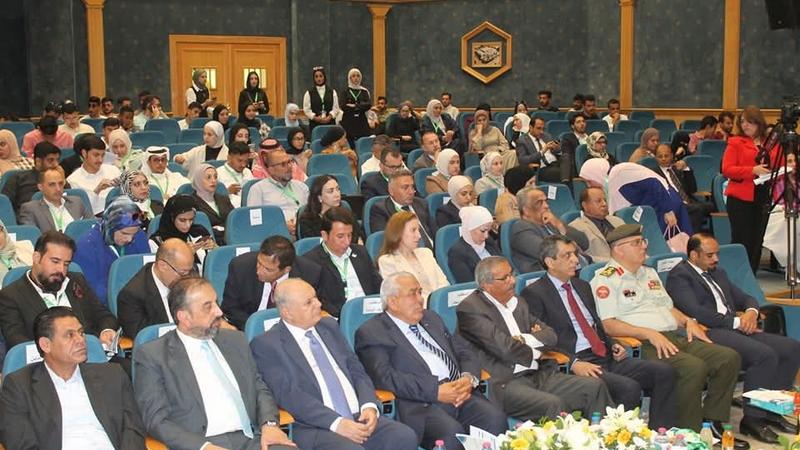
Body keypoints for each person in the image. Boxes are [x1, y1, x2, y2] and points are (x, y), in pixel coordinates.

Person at [590, 224, 744, 440]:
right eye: (637, 243)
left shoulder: (649, 273)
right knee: (693, 368)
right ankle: (686, 433)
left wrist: (688, 320)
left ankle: (712, 421)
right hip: (642, 343)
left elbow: (668, 308)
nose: (644, 246)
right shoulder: (605, 279)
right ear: (618, 249)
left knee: (727, 358)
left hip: (672, 336)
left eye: (643, 241)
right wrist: (648, 333)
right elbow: (608, 324)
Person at [523, 235, 677, 429]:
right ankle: (616, 437)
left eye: (575, 254)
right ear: (550, 262)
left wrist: (613, 344)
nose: (575, 260)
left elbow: (595, 324)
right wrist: (573, 363)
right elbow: (543, 340)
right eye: (567, 255)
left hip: (603, 354)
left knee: (664, 372)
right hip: (576, 359)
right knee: (628, 388)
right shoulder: (535, 293)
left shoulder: (582, 286)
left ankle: (660, 433)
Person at [250, 278, 417, 450]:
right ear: (287, 312)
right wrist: (337, 423)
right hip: (316, 426)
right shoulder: (267, 344)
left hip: (358, 416)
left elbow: (356, 370)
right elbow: (290, 396)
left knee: (404, 437)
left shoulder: (329, 326)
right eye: (309, 302)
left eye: (315, 298)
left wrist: (369, 405)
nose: (318, 304)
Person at [133, 276, 297, 450]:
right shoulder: (154, 355)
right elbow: (156, 420)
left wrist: (269, 424)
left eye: (216, 302)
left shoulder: (235, 340)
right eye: (208, 306)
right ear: (184, 317)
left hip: (252, 437)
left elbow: (259, 388)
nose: (219, 312)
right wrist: (203, 446)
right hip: (201, 442)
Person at [666, 233, 800, 442]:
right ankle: (754, 419)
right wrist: (739, 322)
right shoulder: (680, 276)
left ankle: (772, 412)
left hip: (733, 327)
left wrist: (751, 313)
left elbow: (746, 298)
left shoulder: (718, 273)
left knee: (791, 348)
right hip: (708, 331)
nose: (716, 259)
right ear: (693, 255)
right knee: (764, 355)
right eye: (710, 255)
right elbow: (697, 312)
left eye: (717, 254)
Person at [355, 272, 507, 450]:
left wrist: (468, 378)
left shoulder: (431, 318)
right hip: (421, 404)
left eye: (420, 292)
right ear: (393, 302)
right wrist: (434, 391)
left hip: (459, 392)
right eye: (412, 294)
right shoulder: (372, 332)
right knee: (451, 434)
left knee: (495, 419)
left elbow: (464, 351)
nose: (420, 299)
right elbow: (385, 377)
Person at [456, 256, 613, 420]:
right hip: (506, 381)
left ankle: (604, 434)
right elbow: (505, 349)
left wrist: (524, 339)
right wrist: (537, 349)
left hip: (539, 373)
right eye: (505, 278)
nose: (513, 281)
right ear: (486, 285)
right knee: (553, 404)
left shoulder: (518, 302)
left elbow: (551, 336)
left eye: (512, 274)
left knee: (594, 387)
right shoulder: (470, 308)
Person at [0, 307, 145, 450]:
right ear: (46, 345)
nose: (80, 340)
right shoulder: (19, 386)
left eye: (81, 333)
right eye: (70, 335)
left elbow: (133, 429)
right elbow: (21, 444)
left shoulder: (112, 375)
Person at [0, 231, 119, 349]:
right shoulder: (11, 296)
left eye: (66, 264)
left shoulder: (76, 280)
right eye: (55, 261)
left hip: (90, 354)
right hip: (46, 360)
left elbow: (104, 315)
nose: (61, 270)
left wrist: (106, 331)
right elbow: (18, 345)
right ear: (36, 258)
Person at [222, 235, 337, 329]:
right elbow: (230, 309)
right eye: (259, 263)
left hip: (293, 329)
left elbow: (313, 309)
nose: (259, 271)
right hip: (250, 327)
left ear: (286, 269)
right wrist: (256, 327)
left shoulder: (310, 273)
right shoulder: (240, 267)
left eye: (268, 269)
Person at [722, 106, 780, 273]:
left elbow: (779, 162)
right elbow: (727, 169)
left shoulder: (769, 144)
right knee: (742, 239)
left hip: (763, 196)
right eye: (742, 122)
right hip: (740, 198)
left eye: (749, 122)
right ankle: (737, 274)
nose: (745, 125)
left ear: (758, 123)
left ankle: (751, 275)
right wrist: (752, 170)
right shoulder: (736, 142)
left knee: (757, 240)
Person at [304, 207, 382, 317]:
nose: (347, 241)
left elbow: (378, 285)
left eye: (349, 235)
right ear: (325, 235)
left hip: (372, 312)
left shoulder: (360, 252)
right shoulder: (310, 262)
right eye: (340, 236)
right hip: (339, 317)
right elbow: (317, 301)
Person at [581, 159, 693, 234]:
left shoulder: (617, 174)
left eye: (589, 181)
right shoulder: (613, 175)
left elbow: (654, 183)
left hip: (665, 202)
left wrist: (668, 210)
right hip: (658, 204)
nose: (589, 186)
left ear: (596, 174)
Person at [73, 197, 150, 305]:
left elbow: (148, 275)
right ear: (110, 226)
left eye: (134, 233)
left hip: (139, 301)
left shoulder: (139, 236)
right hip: (106, 305)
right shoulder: (86, 247)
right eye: (124, 233)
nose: (130, 239)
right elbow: (93, 293)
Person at [117, 238, 195, 338]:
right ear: (162, 266)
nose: (187, 278)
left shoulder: (186, 273)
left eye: (189, 271)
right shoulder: (131, 296)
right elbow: (143, 338)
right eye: (182, 273)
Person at [510, 187, 590, 273]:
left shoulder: (551, 223)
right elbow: (549, 253)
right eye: (539, 203)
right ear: (526, 210)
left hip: (578, 268)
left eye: (546, 201)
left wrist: (559, 225)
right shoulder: (521, 229)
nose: (546, 206)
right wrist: (574, 246)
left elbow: (584, 242)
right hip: (549, 275)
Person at [377, 211, 448, 300]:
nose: (419, 236)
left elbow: (443, 283)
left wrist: (439, 301)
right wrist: (433, 302)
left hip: (439, 303)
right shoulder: (387, 261)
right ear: (399, 233)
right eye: (413, 230)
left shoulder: (426, 253)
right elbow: (403, 296)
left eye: (418, 230)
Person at [247, 148, 310, 237]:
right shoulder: (258, 189)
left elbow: (312, 213)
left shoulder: (302, 187)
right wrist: (281, 227)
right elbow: (255, 222)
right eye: (283, 164)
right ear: (271, 169)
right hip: (275, 236)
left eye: (289, 162)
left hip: (304, 232)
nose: (289, 167)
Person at [653, 143, 714, 233]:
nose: (663, 159)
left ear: (672, 156)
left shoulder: (677, 169)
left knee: (713, 206)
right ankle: (693, 237)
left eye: (666, 156)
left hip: (690, 202)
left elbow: (692, 189)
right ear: (656, 158)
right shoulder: (653, 174)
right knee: (697, 209)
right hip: (674, 205)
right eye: (660, 156)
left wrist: (686, 169)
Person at [369, 170, 434, 247]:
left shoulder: (421, 204)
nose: (411, 192)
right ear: (391, 191)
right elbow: (386, 242)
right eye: (405, 188)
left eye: (412, 187)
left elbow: (435, 232)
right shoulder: (380, 210)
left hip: (433, 251)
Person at [19, 167, 91, 232]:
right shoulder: (31, 209)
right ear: (40, 187)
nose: (58, 189)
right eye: (52, 185)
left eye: (60, 183)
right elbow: (32, 237)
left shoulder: (77, 202)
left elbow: (92, 226)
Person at [149, 194, 214, 266]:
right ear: (172, 218)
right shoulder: (157, 242)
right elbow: (162, 270)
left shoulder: (200, 232)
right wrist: (186, 254)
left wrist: (215, 249)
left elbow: (215, 265)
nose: (188, 225)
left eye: (191, 219)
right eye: (182, 220)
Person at [66, 135, 122, 215]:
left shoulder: (113, 170)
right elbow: (81, 211)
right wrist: (97, 190)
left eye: (102, 155)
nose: (100, 160)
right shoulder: (73, 180)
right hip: (96, 218)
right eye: (96, 155)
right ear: (84, 153)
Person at [568, 187, 625, 263]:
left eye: (605, 200)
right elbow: (583, 257)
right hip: (602, 266)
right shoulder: (577, 227)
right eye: (598, 201)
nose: (604, 204)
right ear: (585, 205)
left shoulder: (617, 221)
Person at [3, 141, 62, 213]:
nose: (56, 164)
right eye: (50, 160)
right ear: (38, 161)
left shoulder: (60, 180)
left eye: (57, 160)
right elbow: (4, 205)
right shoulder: (18, 179)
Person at [447, 206, 500, 283]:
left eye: (488, 231)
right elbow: (468, 284)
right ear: (469, 229)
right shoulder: (457, 252)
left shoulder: (489, 241)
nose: (486, 236)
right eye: (483, 231)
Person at [298, 175, 359, 241]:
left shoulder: (346, 213)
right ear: (319, 197)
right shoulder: (308, 221)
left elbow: (357, 235)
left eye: (338, 189)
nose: (337, 194)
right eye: (330, 191)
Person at [189, 164, 233, 245]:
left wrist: (220, 228)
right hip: (207, 244)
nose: (213, 180)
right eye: (208, 177)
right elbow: (196, 229)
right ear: (199, 180)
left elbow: (233, 220)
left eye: (215, 177)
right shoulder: (191, 203)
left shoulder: (224, 199)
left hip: (230, 239)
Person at [516, 116, 561, 182]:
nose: (541, 132)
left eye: (543, 129)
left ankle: (566, 178)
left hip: (556, 163)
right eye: (539, 128)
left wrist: (556, 148)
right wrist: (542, 151)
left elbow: (558, 151)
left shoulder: (546, 136)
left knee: (567, 158)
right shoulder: (522, 141)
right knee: (562, 171)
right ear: (530, 127)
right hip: (543, 168)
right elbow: (522, 160)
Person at [217, 141, 254, 208]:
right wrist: (227, 192)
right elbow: (212, 199)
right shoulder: (218, 173)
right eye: (239, 161)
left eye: (246, 161)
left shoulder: (247, 172)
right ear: (229, 158)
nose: (243, 165)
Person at [341, 68, 372, 146]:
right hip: (348, 121)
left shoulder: (364, 91)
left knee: (363, 144)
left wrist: (355, 105)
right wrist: (361, 106)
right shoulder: (345, 91)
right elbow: (343, 106)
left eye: (358, 76)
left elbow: (368, 105)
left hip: (361, 121)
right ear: (350, 78)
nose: (356, 78)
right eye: (353, 76)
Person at [558, 112, 588, 184]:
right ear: (572, 126)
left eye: (583, 121)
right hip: (578, 168)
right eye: (578, 122)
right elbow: (569, 158)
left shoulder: (591, 138)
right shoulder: (567, 139)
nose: (582, 124)